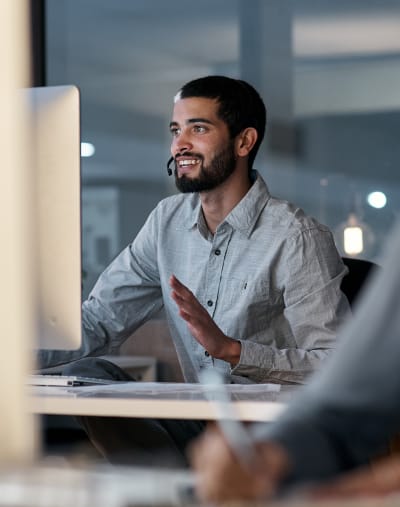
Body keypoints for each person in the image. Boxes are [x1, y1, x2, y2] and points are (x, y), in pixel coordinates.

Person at [38, 75, 350, 466]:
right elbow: (100, 320)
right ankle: (174, 482)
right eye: (175, 130)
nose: (179, 144)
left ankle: (182, 483)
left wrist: (233, 352)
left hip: (271, 435)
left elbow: (336, 366)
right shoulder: (166, 221)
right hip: (197, 421)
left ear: (244, 141)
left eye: (198, 128)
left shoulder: (296, 237)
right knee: (89, 373)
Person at [190, 219, 400, 502]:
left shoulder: (300, 235)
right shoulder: (166, 224)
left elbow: (327, 361)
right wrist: (269, 457)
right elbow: (339, 413)